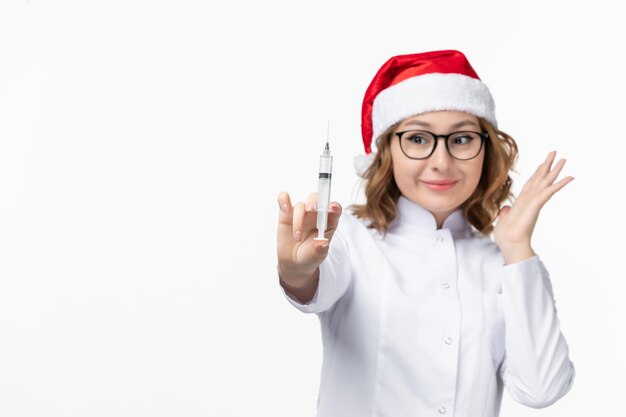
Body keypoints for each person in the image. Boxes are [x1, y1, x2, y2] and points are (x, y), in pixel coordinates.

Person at [276, 50, 575, 417]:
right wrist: (297, 270)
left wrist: (517, 249)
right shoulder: (352, 239)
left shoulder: (503, 263)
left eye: (461, 139)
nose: (441, 161)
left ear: (486, 148)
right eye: (418, 139)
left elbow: (542, 389)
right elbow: (312, 285)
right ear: (386, 151)